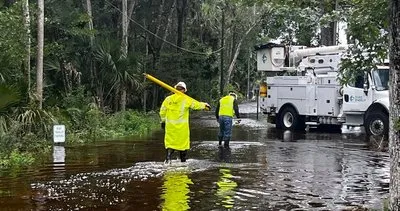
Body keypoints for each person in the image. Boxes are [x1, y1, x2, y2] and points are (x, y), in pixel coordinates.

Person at [160, 81, 210, 164]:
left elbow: (162, 111)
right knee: (183, 145)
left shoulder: (168, 99)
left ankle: (168, 158)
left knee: (170, 143)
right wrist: (205, 105)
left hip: (170, 127)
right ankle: (183, 163)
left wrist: (163, 121)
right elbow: (196, 105)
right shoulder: (186, 99)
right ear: (184, 90)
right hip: (182, 128)